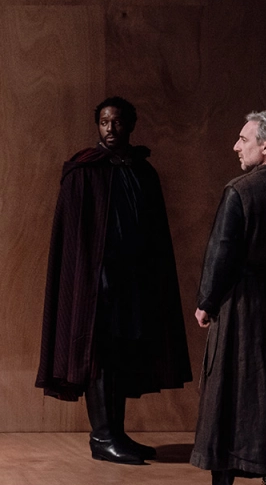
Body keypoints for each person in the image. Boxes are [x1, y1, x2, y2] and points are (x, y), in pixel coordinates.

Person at [36, 97, 191, 464]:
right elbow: (75, 238)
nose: (110, 129)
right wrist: (94, 281)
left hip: (133, 284)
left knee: (121, 357)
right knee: (100, 358)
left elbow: (152, 234)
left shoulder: (142, 171)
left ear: (130, 125)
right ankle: (103, 437)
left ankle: (116, 434)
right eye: (104, 122)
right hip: (96, 288)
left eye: (117, 122)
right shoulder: (84, 171)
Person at [191, 110, 266, 485]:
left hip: (244, 308)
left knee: (229, 391)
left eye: (243, 139)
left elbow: (223, 253)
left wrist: (206, 301)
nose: (236, 146)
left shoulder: (241, 191)